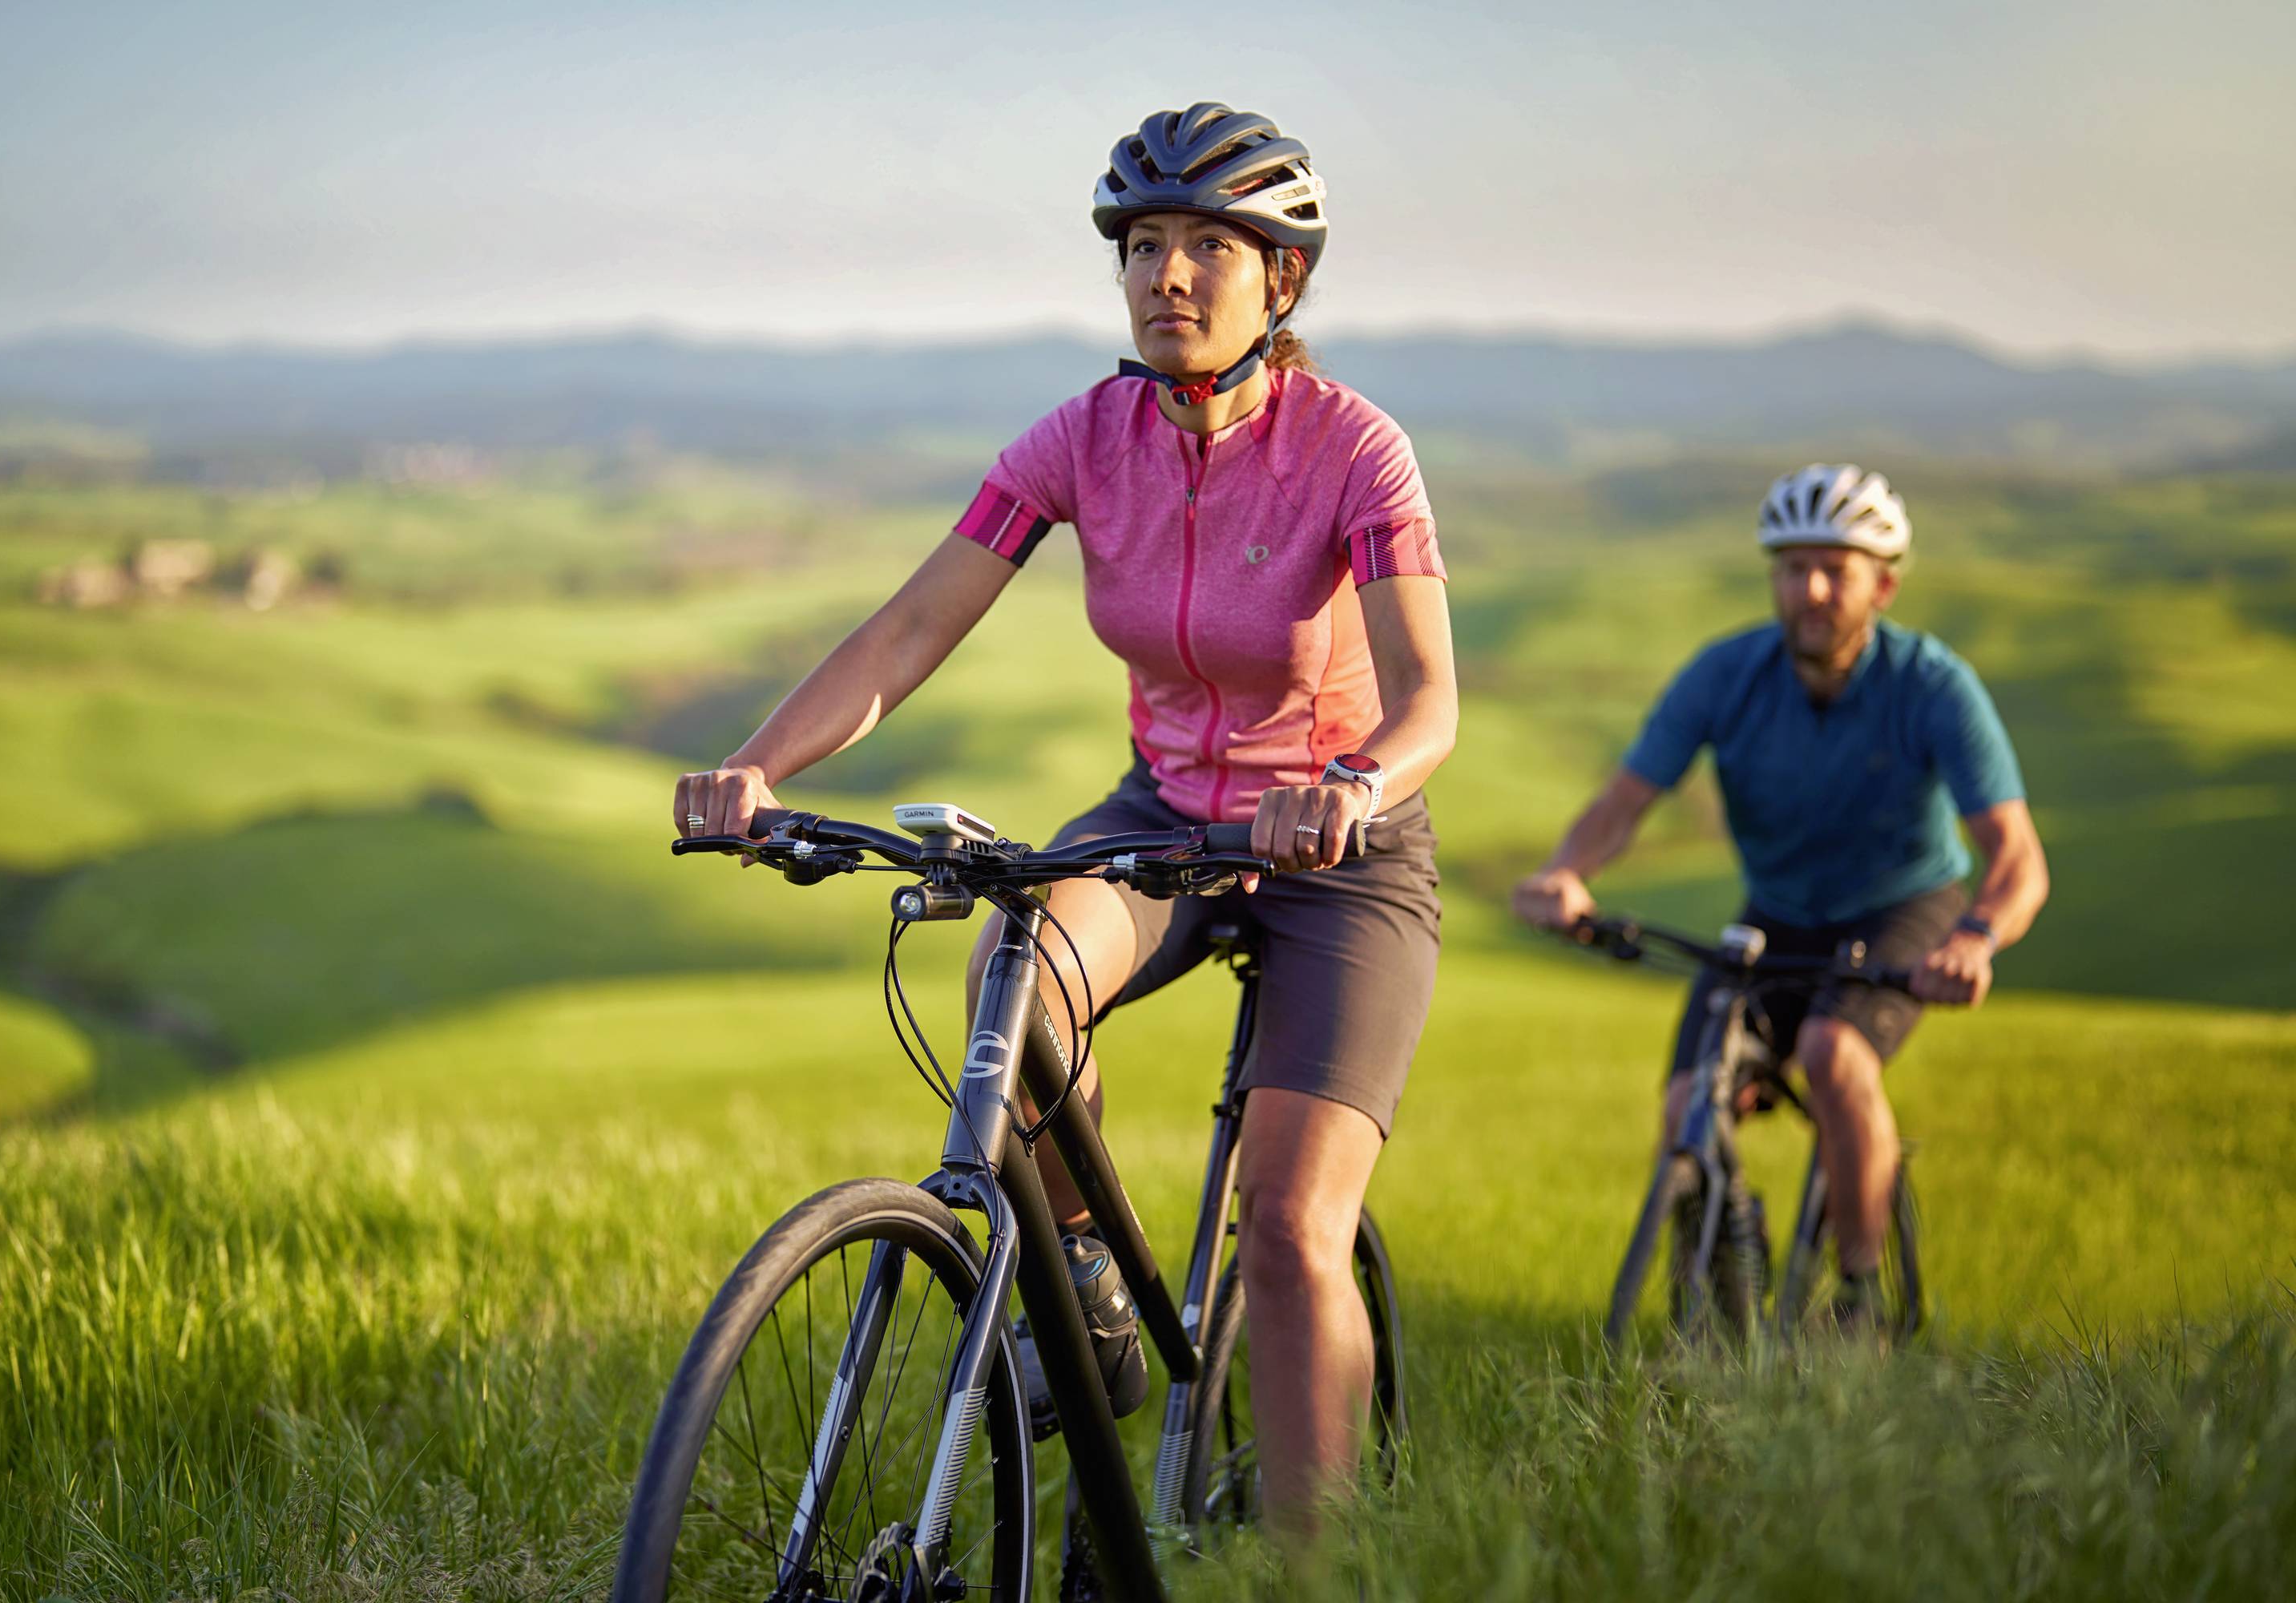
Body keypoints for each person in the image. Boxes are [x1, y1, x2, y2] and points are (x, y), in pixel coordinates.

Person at [672, 103, 1456, 1528]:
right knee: (1011, 977)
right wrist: (757, 768)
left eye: (1209, 246)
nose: (1169, 274)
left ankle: (1325, 1564)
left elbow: (1429, 707)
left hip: (1343, 848)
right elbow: (911, 627)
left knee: (1291, 1231)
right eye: (1143, 244)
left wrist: (1349, 789)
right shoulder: (1086, 440)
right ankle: (1088, 1280)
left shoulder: (1355, 450)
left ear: (1281, 279)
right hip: (1169, 816)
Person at [1513, 463, 2049, 1327]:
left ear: (1883, 586)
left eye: (1836, 569)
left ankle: (1859, 1300)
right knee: (1688, 1100)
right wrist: (1568, 872)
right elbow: (1625, 801)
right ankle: (1726, 1258)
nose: (1813, 590)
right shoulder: (1727, 674)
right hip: (1779, 915)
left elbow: (2018, 856)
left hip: (1903, 908)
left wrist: (1975, 939)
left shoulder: (1932, 684)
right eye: (1795, 568)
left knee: (1836, 1056)